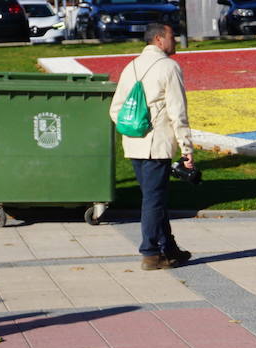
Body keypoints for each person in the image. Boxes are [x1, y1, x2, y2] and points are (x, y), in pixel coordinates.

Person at [107, 22, 193, 271]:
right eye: (171, 37)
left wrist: (136, 128)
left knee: (153, 199)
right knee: (154, 201)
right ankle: (151, 253)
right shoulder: (169, 67)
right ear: (158, 39)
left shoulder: (130, 66)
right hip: (157, 145)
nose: (174, 41)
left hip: (134, 144)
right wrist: (187, 149)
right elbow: (178, 112)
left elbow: (116, 109)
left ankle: (170, 248)